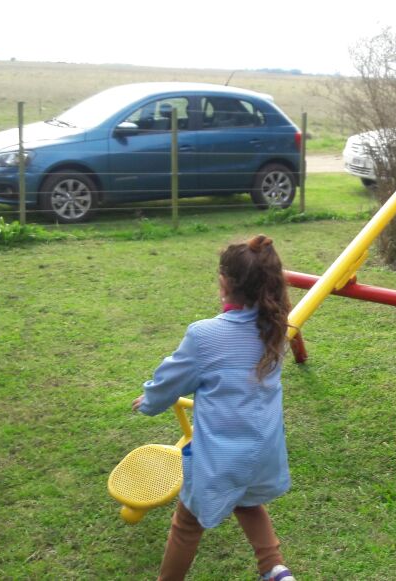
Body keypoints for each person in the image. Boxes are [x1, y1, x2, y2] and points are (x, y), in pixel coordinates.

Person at [132, 234, 296, 581]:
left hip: (221, 457)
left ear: (225, 281)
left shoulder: (204, 336)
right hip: (264, 451)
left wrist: (149, 402)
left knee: (186, 524)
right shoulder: (276, 330)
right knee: (248, 503)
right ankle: (275, 568)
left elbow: (170, 380)